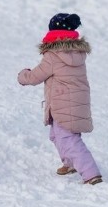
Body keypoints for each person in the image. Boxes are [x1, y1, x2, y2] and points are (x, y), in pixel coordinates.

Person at [18, 13, 102, 185]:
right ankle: (70, 163)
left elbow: (34, 77)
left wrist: (22, 75)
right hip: (75, 103)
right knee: (58, 135)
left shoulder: (53, 55)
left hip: (63, 104)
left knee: (68, 138)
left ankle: (91, 174)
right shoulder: (77, 53)